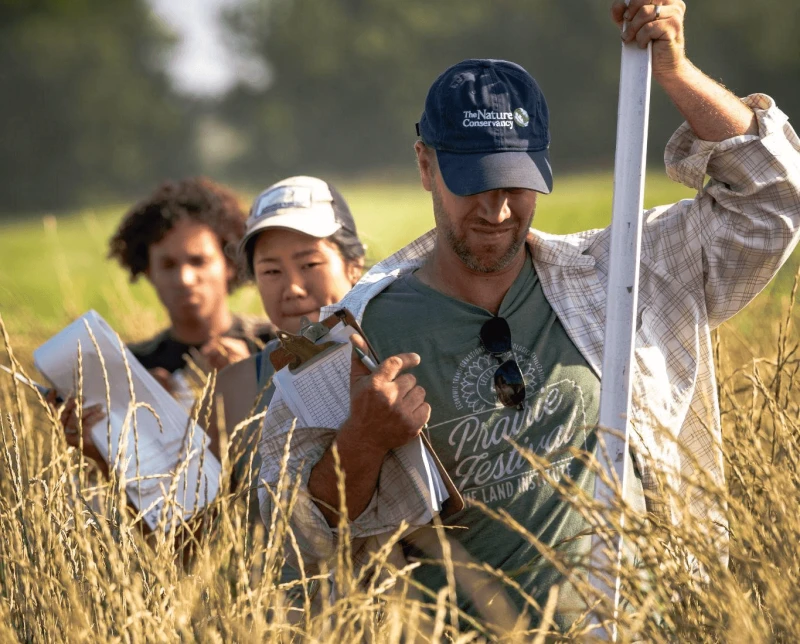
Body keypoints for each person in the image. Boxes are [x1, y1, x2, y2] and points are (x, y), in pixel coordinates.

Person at [257, 0, 800, 632]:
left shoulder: (620, 276)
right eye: (473, 182)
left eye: (515, 183)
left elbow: (774, 198)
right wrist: (363, 442)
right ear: (426, 165)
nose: (496, 210)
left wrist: (673, 69)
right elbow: (284, 546)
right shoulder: (353, 340)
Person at [60, 176, 275, 463]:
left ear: (230, 265)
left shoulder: (274, 344)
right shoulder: (130, 369)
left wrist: (253, 377)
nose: (185, 279)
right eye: (168, 265)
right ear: (148, 272)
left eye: (198, 261)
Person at [215, 176, 365, 517]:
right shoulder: (235, 390)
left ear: (353, 266)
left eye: (309, 264)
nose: (293, 288)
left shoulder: (397, 354)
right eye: (271, 271)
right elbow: (191, 535)